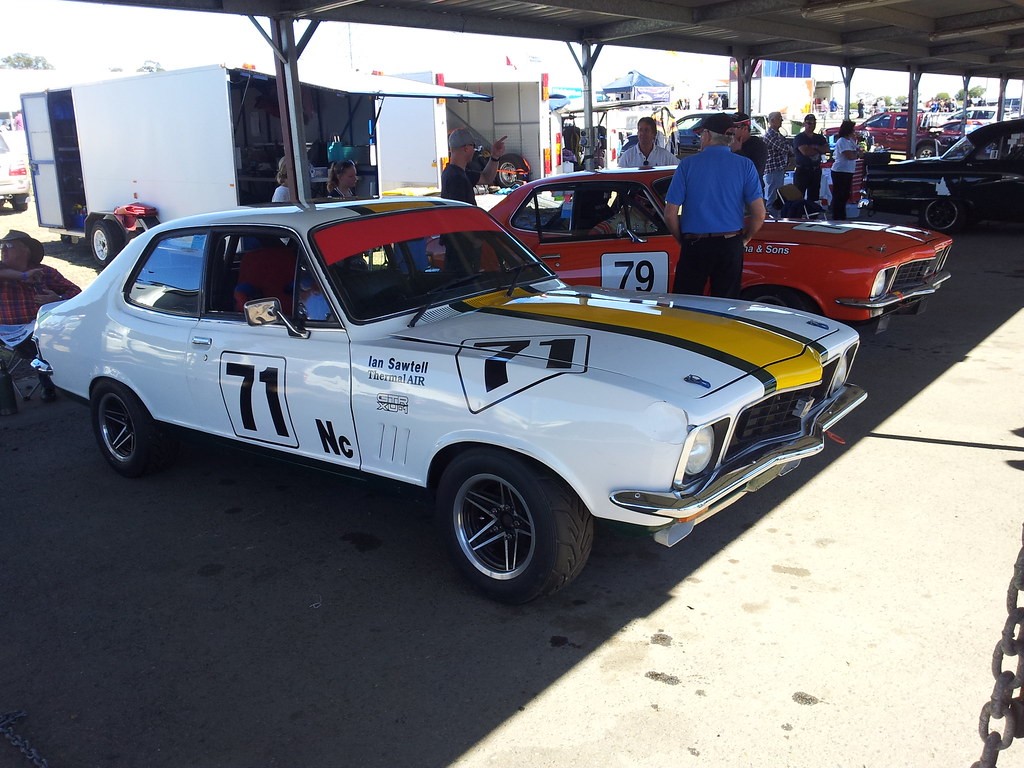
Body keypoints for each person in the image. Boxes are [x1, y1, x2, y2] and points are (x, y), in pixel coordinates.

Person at [662, 113, 766, 299]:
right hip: (730, 242)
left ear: (708, 135)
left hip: (695, 243)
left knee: (686, 305)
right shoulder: (745, 165)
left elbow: (670, 214)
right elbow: (759, 213)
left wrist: (682, 240)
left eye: (701, 134)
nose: (700, 138)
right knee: (725, 306)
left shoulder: (687, 165)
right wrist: (745, 239)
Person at [0, 230, 81, 402]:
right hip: (7, 332)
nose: (3, 250)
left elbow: (77, 292)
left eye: (9, 245)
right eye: (2, 246)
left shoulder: (44, 272)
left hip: (42, 327)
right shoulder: (2, 273)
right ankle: (49, 383)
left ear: (26, 250)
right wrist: (23, 276)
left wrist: (58, 298)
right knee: (38, 344)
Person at [440, 128, 506, 206]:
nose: (474, 150)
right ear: (466, 148)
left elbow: (486, 178)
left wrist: (495, 156)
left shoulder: (457, 173)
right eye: (473, 146)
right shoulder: (456, 178)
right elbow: (460, 211)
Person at [792, 114, 829, 204]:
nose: (811, 125)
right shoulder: (799, 137)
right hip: (802, 170)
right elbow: (806, 152)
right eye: (809, 123)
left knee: (814, 197)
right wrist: (819, 149)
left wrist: (814, 147)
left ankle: (812, 212)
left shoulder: (820, 137)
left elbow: (826, 149)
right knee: (798, 196)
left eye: (813, 123)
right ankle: (799, 213)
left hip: (816, 170)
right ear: (804, 124)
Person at [762, 111, 794, 214]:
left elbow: (788, 147)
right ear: (772, 121)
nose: (782, 120)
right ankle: (772, 217)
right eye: (779, 118)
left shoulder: (778, 134)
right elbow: (785, 149)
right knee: (773, 196)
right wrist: (788, 148)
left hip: (779, 169)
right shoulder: (770, 135)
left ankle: (776, 216)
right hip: (773, 169)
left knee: (777, 196)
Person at [730, 112, 768, 193]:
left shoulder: (758, 145)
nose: (731, 130)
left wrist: (738, 151)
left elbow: (756, 171)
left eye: (735, 127)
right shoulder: (728, 144)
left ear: (745, 129)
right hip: (734, 190)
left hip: (752, 192)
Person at [830, 119, 859, 220]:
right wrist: (857, 154)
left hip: (848, 170)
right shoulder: (842, 141)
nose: (854, 131)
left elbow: (857, 151)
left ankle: (842, 214)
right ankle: (837, 215)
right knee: (839, 194)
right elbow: (849, 155)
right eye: (853, 129)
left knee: (845, 194)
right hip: (840, 171)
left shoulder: (850, 141)